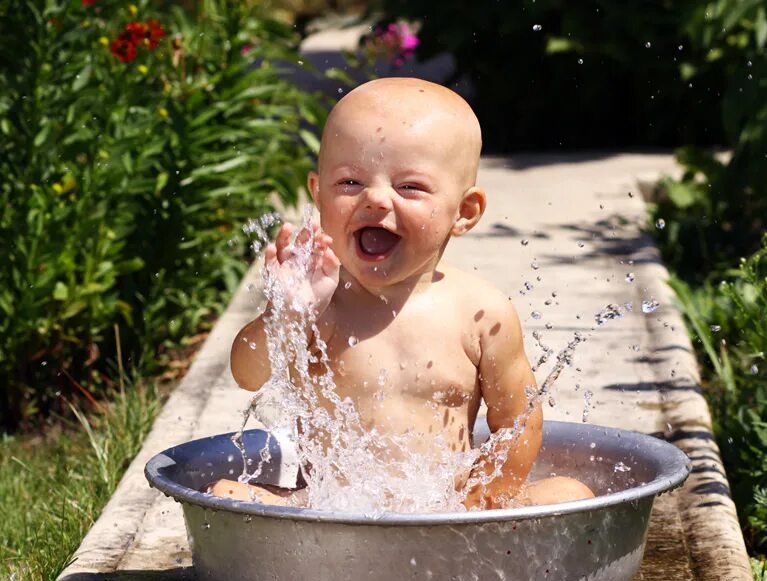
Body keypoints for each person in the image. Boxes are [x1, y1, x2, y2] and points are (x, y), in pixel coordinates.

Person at [212, 77, 592, 509]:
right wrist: (287, 315)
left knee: (570, 494)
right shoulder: (320, 306)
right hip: (330, 510)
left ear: (464, 213)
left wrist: (483, 503)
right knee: (228, 495)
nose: (375, 198)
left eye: (409, 187)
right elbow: (248, 374)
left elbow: (518, 423)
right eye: (350, 183)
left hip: (445, 510)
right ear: (318, 195)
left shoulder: (480, 313)